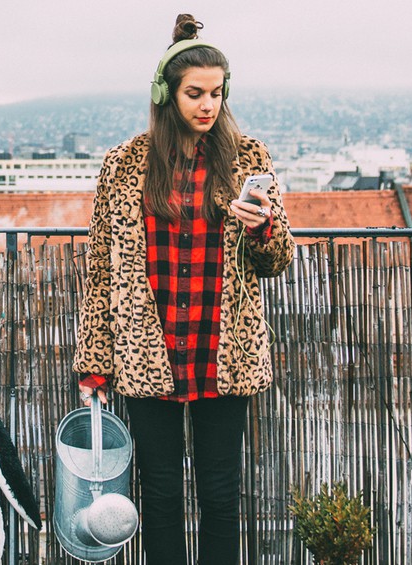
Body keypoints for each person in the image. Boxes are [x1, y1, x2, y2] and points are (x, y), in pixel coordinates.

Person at [72, 13, 295, 565]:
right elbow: (101, 272)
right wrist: (94, 365)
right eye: (195, 93)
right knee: (162, 495)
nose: (208, 105)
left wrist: (262, 228)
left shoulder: (249, 158)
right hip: (149, 354)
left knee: (220, 496)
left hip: (225, 355)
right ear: (165, 94)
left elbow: (278, 259)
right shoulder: (124, 165)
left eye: (217, 93)